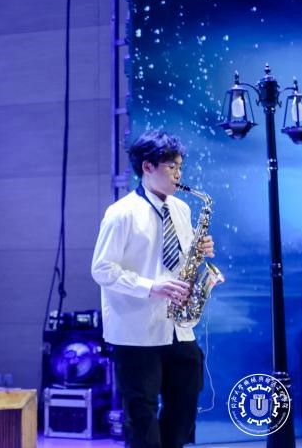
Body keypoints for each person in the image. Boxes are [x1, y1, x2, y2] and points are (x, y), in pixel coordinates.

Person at [91, 130, 215, 448]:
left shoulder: (182, 209)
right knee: (142, 414)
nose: (178, 174)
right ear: (147, 167)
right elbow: (102, 269)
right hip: (136, 330)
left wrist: (200, 250)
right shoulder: (121, 213)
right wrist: (151, 286)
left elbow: (179, 262)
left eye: (180, 167)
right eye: (171, 166)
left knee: (185, 402)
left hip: (177, 327)